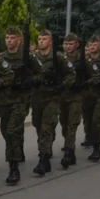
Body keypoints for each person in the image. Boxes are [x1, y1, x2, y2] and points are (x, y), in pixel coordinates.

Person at [0, 26, 41, 183]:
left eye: (12, 38)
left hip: (21, 100)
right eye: (7, 38)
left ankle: (13, 168)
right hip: (5, 100)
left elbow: (40, 73)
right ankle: (17, 152)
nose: (9, 41)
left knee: (12, 130)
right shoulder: (1, 57)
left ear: (19, 40)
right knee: (7, 132)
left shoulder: (27, 56)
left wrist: (30, 81)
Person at [30, 30, 61, 175]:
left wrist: (61, 84)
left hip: (52, 98)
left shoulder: (58, 57)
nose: (41, 41)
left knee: (46, 128)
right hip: (37, 98)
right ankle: (46, 149)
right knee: (37, 125)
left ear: (51, 42)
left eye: (44, 39)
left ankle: (43, 159)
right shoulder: (33, 57)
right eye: (39, 39)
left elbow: (71, 74)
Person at [57, 33, 84, 168]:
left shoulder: (83, 58)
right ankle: (69, 146)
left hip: (76, 96)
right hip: (63, 95)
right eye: (65, 44)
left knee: (72, 124)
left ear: (77, 44)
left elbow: (95, 74)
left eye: (70, 44)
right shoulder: (60, 58)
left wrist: (86, 83)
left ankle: (68, 151)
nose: (67, 47)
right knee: (63, 122)